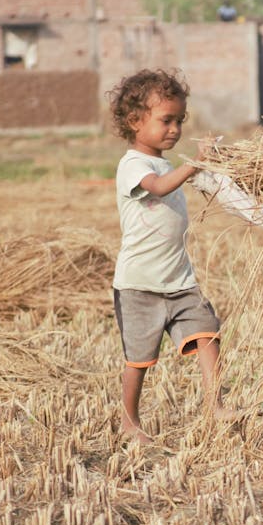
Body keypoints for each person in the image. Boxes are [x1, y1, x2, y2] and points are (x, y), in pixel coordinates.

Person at [108, 68, 231, 443]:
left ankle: (216, 406)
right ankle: (130, 423)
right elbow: (159, 188)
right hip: (139, 284)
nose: (175, 128)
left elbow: (185, 180)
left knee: (208, 335)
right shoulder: (134, 164)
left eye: (179, 120)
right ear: (135, 121)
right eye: (166, 120)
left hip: (178, 279)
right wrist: (194, 163)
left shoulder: (165, 163)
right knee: (139, 361)